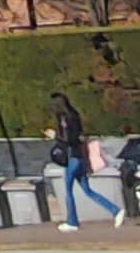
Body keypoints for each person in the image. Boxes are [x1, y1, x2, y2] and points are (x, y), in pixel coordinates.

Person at [45, 89, 118, 228]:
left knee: (68, 190)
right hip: (80, 156)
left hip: (72, 158)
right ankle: (115, 210)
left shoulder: (64, 119)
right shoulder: (75, 115)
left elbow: (68, 140)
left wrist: (54, 136)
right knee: (88, 191)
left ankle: (72, 221)